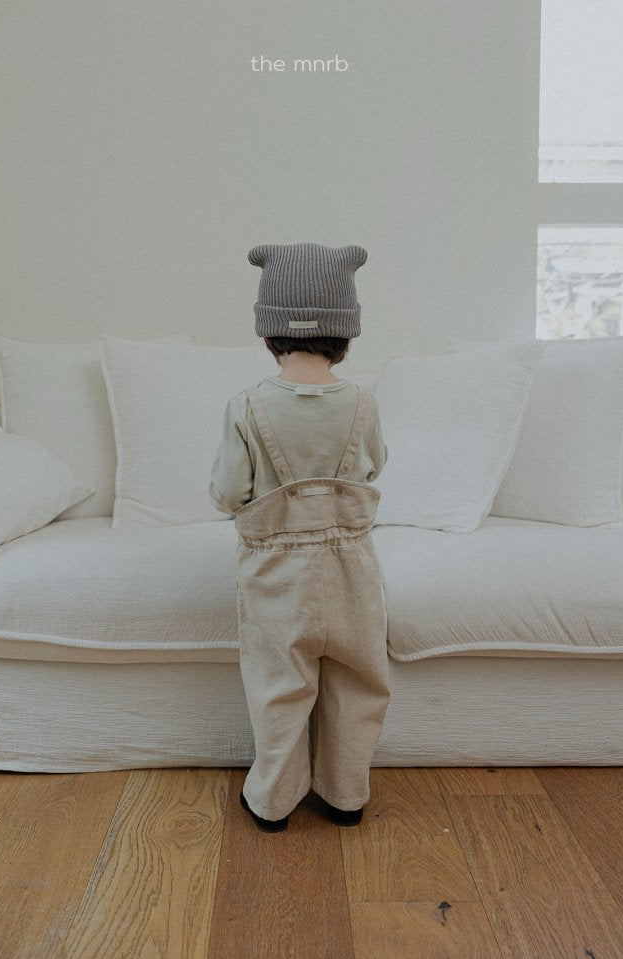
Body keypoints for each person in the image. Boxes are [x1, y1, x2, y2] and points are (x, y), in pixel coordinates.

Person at [208, 242, 390, 833]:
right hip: (351, 569)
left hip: (276, 575)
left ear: (268, 329)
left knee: (278, 687)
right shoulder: (362, 402)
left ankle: (273, 802)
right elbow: (374, 467)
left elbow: (227, 492)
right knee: (359, 681)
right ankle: (345, 796)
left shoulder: (247, 405)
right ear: (347, 331)